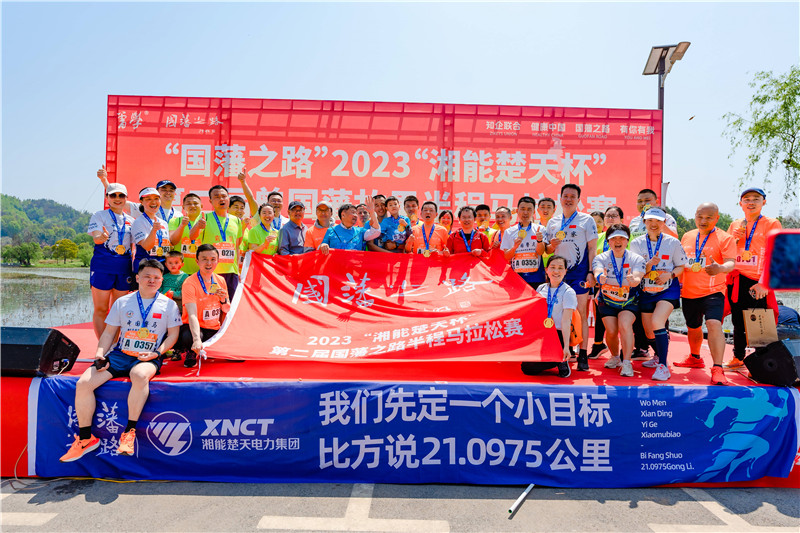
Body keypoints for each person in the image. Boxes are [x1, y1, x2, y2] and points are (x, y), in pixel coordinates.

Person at [59, 259, 180, 462]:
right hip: (120, 354)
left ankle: (129, 433)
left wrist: (157, 353)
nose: (152, 280)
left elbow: (173, 335)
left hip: (147, 356)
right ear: (137, 278)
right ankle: (86, 439)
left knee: (139, 375)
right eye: (147, 276)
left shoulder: (169, 305)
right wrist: (100, 353)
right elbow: (109, 333)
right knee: (83, 383)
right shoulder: (123, 302)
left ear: (161, 280)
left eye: (156, 277)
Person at [674, 202, 737, 386]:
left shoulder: (725, 238)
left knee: (713, 324)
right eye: (700, 216)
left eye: (709, 217)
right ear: (695, 216)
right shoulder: (687, 236)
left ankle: (717, 368)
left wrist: (720, 268)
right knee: (693, 327)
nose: (703, 220)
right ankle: (695, 357)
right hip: (689, 292)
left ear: (717, 218)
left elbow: (731, 263)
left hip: (713, 291)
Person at [724, 187, 783, 369]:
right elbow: (725, 254)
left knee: (759, 322)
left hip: (758, 281)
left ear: (763, 202)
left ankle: (763, 364)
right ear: (740, 204)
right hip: (737, 279)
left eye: (756, 199)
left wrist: (764, 283)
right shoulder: (735, 225)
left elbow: (777, 255)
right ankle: (738, 357)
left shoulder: (771, 223)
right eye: (747, 199)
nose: (751, 202)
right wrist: (734, 239)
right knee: (737, 320)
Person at [544, 184, 598, 370]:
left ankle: (583, 353)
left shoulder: (587, 220)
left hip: (579, 273)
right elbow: (547, 250)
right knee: (558, 312)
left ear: (578, 200)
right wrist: (551, 246)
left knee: (581, 313)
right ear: (560, 198)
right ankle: (563, 350)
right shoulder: (553, 222)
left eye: (572, 196)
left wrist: (591, 272)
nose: (568, 199)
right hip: (558, 274)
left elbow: (592, 248)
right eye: (565, 196)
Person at [629, 208, 688, 380]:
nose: (653, 224)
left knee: (657, 321)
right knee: (649, 332)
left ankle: (663, 366)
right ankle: (658, 356)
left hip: (668, 289)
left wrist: (670, 275)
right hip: (646, 290)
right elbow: (637, 270)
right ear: (644, 223)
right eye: (650, 221)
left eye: (658, 221)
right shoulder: (636, 243)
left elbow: (681, 266)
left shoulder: (673, 242)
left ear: (664, 223)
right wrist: (648, 265)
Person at [592, 224, 646, 377]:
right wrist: (599, 277)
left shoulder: (636, 259)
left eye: (621, 238)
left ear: (627, 240)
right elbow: (597, 270)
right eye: (613, 238)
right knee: (611, 331)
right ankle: (615, 357)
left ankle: (627, 362)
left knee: (624, 324)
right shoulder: (601, 258)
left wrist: (633, 280)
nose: (617, 241)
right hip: (607, 300)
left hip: (629, 301)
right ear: (608, 241)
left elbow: (638, 277)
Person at [87, 183, 135, 339]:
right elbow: (96, 237)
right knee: (101, 309)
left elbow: (134, 245)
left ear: (126, 198)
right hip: (103, 267)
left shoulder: (131, 220)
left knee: (118, 310)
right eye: (113, 195)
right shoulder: (99, 215)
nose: (117, 198)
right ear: (107, 197)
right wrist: (100, 237)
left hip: (123, 268)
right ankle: (103, 347)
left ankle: (114, 345)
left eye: (121, 195)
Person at [520, 255, 575, 378]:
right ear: (546, 270)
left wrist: (567, 347)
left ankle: (561, 359)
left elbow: (566, 321)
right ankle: (556, 358)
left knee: (551, 358)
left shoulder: (568, 292)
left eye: (560, 268)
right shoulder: (541, 288)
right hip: (544, 333)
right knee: (527, 368)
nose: (556, 271)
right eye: (553, 267)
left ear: (565, 271)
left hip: (559, 334)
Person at [178, 244, 231, 368]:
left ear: (218, 261)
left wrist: (223, 299)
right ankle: (191, 351)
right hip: (195, 328)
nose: (209, 263)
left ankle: (209, 349)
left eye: (213, 259)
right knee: (188, 337)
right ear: (197, 261)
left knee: (235, 356)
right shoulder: (190, 282)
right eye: (204, 259)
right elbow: (191, 314)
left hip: (213, 328)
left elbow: (226, 309)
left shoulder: (221, 280)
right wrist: (196, 339)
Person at [589, 205, 625, 358]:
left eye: (614, 216)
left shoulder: (627, 237)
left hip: (622, 285)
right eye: (608, 216)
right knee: (600, 315)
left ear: (621, 219)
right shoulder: (598, 238)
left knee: (623, 319)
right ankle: (598, 344)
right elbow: (592, 258)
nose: (610, 219)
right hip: (600, 284)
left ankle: (625, 350)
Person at [198, 185, 243, 296]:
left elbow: (237, 246)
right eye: (217, 197)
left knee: (230, 303)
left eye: (223, 196)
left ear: (228, 198)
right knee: (212, 302)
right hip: (211, 271)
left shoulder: (237, 220)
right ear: (210, 201)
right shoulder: (205, 218)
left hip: (231, 272)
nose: (221, 199)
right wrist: (198, 226)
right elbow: (192, 237)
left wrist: (237, 270)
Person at [96, 166, 182, 220]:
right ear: (157, 192)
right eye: (164, 189)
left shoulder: (179, 215)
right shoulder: (145, 208)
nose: (168, 193)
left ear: (175, 193)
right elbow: (118, 199)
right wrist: (104, 180)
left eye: (171, 190)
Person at [501, 197, 546, 288]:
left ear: (534, 212)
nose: (525, 212)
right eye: (523, 209)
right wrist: (514, 247)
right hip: (516, 277)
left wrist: (539, 241)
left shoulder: (540, 229)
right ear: (517, 211)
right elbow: (506, 256)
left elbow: (541, 252)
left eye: (529, 209)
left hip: (536, 278)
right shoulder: (509, 231)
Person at [131, 187, 171, 266]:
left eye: (156, 198)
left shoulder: (163, 223)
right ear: (141, 202)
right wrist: (154, 230)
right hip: (145, 266)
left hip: (162, 265)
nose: (153, 202)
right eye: (148, 199)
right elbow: (147, 246)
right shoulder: (138, 222)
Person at [168, 193, 204, 275]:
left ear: (201, 206)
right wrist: (182, 225)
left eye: (195, 203)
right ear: (183, 207)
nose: (192, 206)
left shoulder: (206, 221)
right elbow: (173, 241)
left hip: (201, 271)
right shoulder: (175, 221)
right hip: (179, 271)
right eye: (188, 204)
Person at [160, 250, 189, 316]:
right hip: (164, 308)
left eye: (176, 263)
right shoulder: (164, 277)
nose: (173, 265)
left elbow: (185, 293)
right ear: (166, 264)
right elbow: (159, 290)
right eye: (170, 263)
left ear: (182, 264)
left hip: (178, 309)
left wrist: (174, 294)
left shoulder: (185, 277)